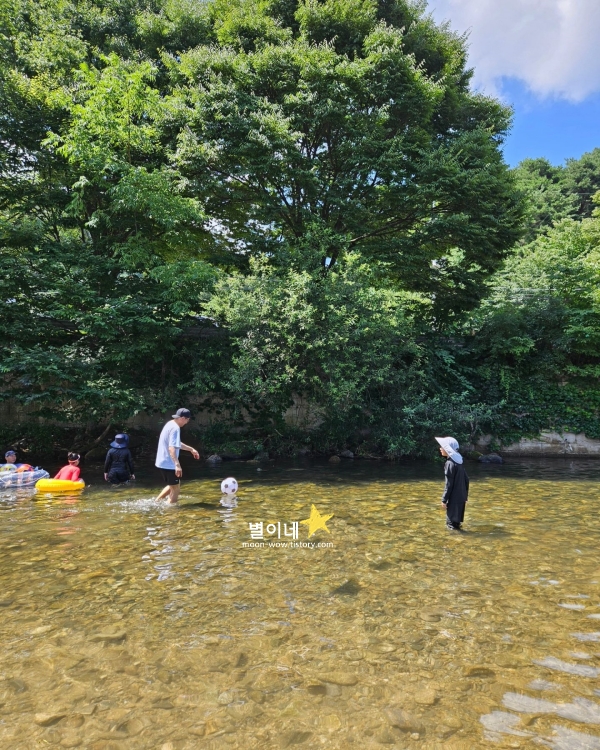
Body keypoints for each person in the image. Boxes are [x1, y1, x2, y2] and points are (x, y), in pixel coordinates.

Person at [155, 408, 200, 504]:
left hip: (162, 462)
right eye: (187, 420)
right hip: (169, 464)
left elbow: (176, 443)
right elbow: (171, 448)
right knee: (176, 490)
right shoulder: (175, 428)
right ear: (183, 418)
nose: (187, 422)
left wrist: (191, 449)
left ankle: (157, 502)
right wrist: (177, 465)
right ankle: (171, 511)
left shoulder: (170, 424)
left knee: (174, 484)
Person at [435, 437, 469, 531]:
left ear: (448, 449)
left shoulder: (449, 463)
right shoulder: (459, 461)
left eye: (442, 447)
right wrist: (465, 496)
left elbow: (449, 485)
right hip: (461, 498)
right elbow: (466, 480)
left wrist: (444, 500)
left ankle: (456, 540)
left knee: (451, 526)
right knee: (456, 525)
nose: (440, 448)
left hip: (454, 499)